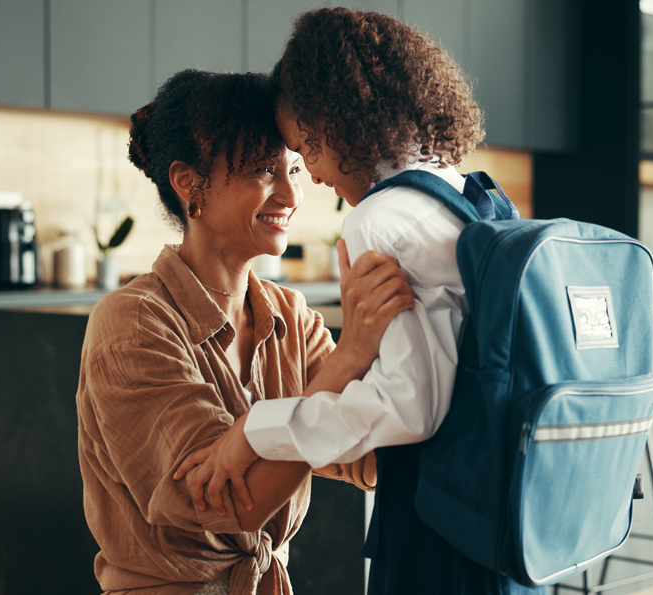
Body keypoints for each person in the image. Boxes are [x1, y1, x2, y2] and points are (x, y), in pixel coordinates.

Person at [176, 8, 545, 595]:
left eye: (305, 150)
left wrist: (253, 429)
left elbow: (410, 409)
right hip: (508, 512)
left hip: (444, 526)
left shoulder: (379, 219)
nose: (313, 180)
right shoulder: (462, 191)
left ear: (336, 122)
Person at [76, 69, 416, 595]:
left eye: (295, 168)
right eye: (263, 169)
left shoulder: (289, 314)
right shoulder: (133, 322)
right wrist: (351, 356)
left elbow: (357, 453)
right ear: (190, 182)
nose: (290, 194)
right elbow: (225, 504)